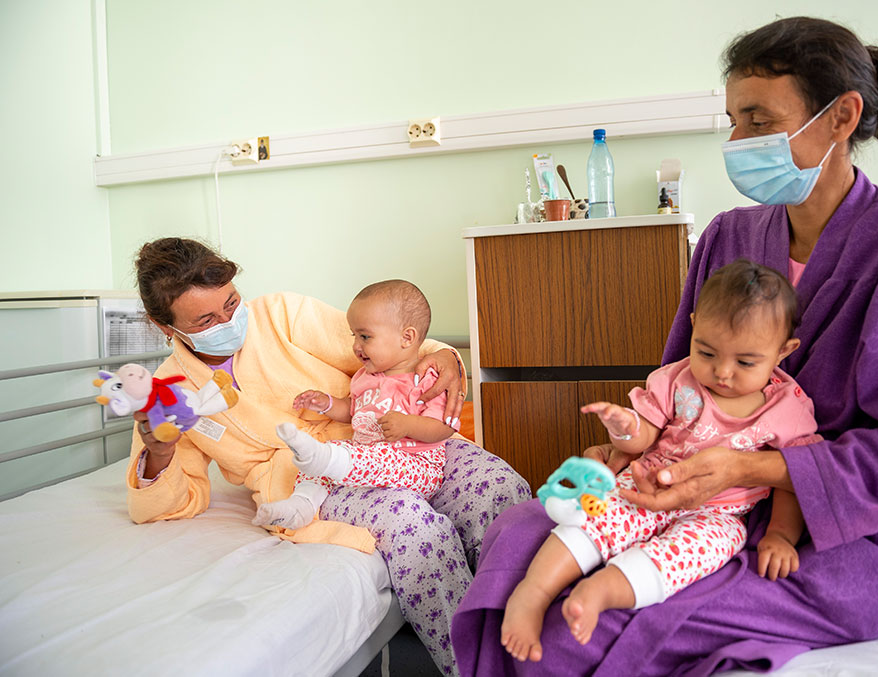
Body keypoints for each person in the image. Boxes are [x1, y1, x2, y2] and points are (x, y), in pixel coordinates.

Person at [452, 16, 878, 675]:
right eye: (733, 120)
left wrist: (751, 470)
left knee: (589, 626)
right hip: (682, 495)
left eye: (759, 121)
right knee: (521, 539)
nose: (738, 141)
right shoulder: (729, 238)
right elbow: (683, 384)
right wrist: (637, 446)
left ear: (841, 116)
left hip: (835, 536)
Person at [127, 238, 530, 675]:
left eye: (231, 303)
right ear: (165, 326)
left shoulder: (281, 315)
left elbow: (385, 338)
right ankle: (481, 668)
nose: (228, 321)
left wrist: (445, 356)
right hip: (320, 477)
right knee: (412, 524)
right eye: (206, 319)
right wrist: (159, 452)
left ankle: (537, 637)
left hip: (396, 433)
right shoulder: (167, 392)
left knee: (500, 487)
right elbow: (162, 504)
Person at [501, 260, 820, 662]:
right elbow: (642, 437)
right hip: (645, 484)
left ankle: (601, 591)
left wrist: (780, 535)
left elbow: (793, 476)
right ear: (693, 326)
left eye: (745, 362)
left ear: (783, 351)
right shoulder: (677, 379)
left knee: (697, 553)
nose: (722, 372)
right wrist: (624, 426)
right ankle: (533, 593)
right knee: (595, 517)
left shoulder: (787, 410)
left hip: (716, 514)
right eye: (706, 351)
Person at [252, 279, 455, 529]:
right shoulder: (364, 377)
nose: (356, 346)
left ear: (407, 337)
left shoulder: (426, 378)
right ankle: (301, 505)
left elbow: (445, 426)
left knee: (349, 456)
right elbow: (353, 411)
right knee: (327, 453)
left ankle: (328, 461)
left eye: (365, 336)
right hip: (366, 463)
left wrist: (409, 424)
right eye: (354, 336)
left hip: (415, 466)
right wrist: (326, 403)